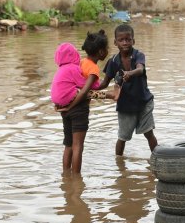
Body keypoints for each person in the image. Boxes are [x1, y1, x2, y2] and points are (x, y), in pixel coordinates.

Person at [97, 24, 158, 156]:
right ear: (115, 42)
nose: (125, 42)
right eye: (121, 40)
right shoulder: (113, 61)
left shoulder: (138, 55)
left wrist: (130, 73)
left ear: (133, 41)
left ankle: (157, 159)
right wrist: (88, 88)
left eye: (128, 39)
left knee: (149, 133)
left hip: (143, 103)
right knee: (122, 137)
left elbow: (140, 69)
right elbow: (104, 83)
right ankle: (119, 164)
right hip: (125, 106)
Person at [50, 42, 94, 174]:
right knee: (78, 146)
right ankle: (76, 180)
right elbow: (86, 86)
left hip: (64, 110)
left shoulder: (60, 71)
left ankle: (66, 176)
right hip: (77, 110)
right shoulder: (73, 69)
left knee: (68, 145)